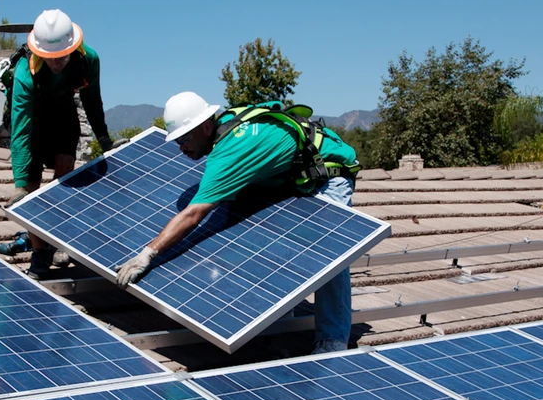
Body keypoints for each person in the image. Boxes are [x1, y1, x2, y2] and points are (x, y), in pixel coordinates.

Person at [114, 91, 361, 354]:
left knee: (326, 250)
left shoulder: (232, 152)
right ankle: (277, 318)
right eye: (177, 140)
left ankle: (333, 339)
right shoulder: (227, 127)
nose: (181, 147)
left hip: (329, 174)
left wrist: (147, 254)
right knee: (246, 217)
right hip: (287, 176)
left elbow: (193, 213)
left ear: (207, 126)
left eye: (185, 138)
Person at [8, 9, 114, 278]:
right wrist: (20, 186)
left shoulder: (88, 60)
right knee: (31, 189)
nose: (57, 63)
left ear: (73, 46)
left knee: (64, 180)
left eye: (62, 56)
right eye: (51, 58)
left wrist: (104, 140)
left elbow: (92, 101)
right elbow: (20, 131)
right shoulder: (25, 73)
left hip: (65, 118)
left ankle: (56, 240)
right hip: (34, 124)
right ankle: (39, 250)